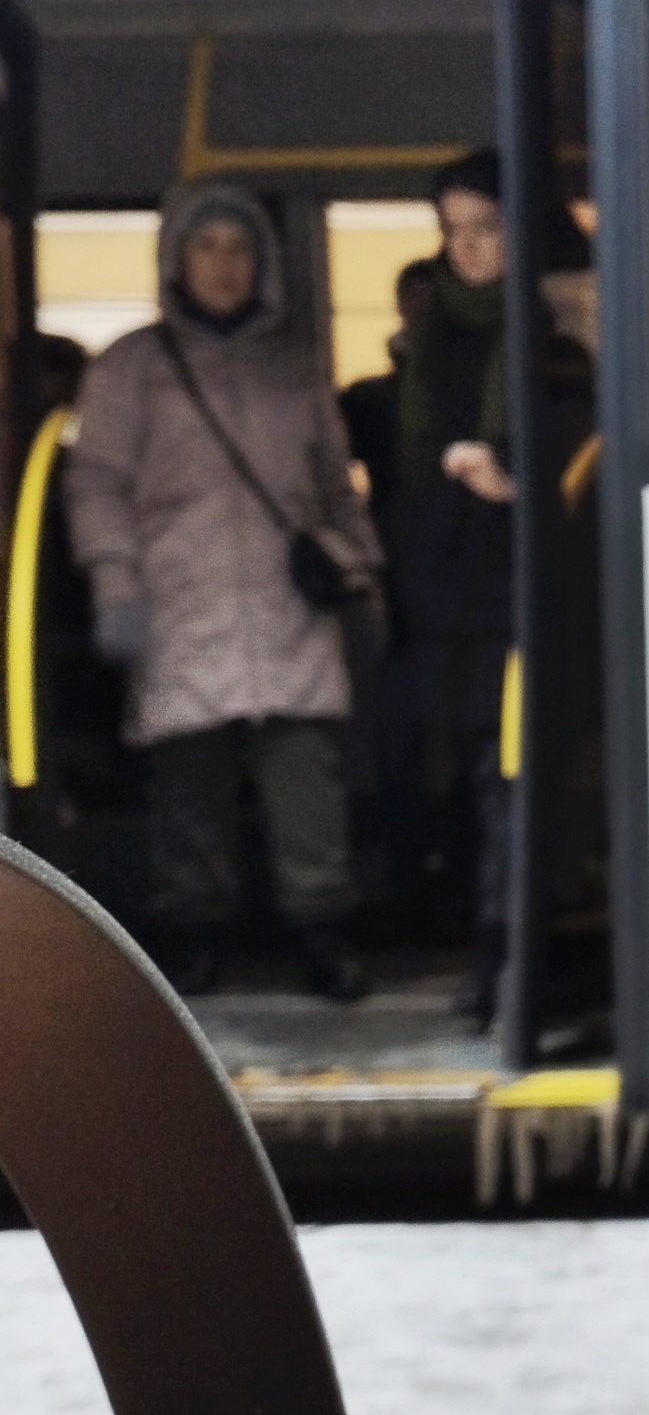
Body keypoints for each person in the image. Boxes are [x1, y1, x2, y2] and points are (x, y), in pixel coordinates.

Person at [64, 181, 381, 1000]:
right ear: (176, 259)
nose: (223, 263)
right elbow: (96, 484)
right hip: (180, 602)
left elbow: (335, 488)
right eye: (205, 246)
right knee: (187, 782)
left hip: (288, 605)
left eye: (238, 247)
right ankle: (194, 936)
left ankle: (322, 933)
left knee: (307, 776)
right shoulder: (131, 368)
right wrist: (114, 584)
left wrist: (361, 571)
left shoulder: (293, 366)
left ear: (262, 261)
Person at [384, 150, 592, 1028]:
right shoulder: (426, 343)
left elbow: (592, 461)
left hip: (535, 589)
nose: (467, 248)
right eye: (453, 231)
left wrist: (516, 483)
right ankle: (493, 945)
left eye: (487, 228)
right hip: (445, 596)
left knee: (517, 778)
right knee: (470, 777)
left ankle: (511, 954)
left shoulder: (563, 341)